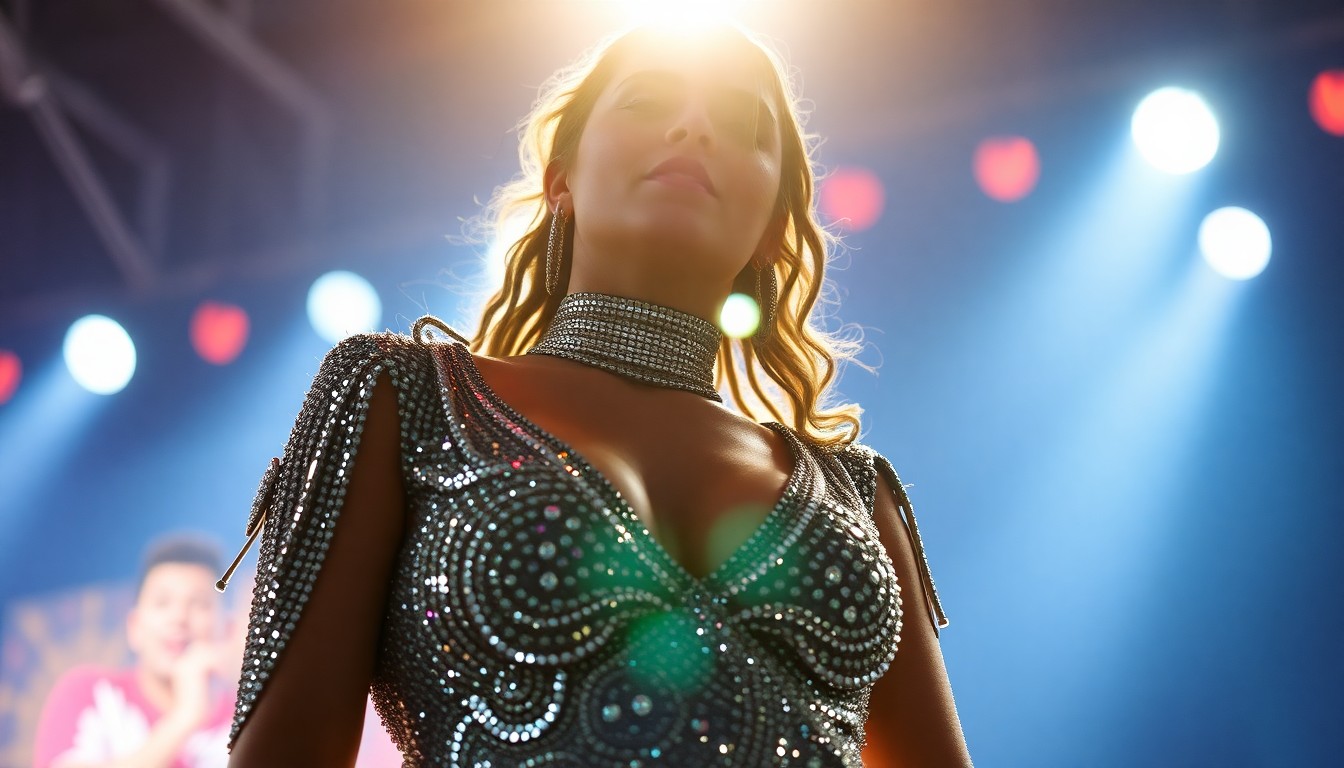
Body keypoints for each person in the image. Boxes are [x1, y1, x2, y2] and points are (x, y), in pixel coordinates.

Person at [222, 21, 971, 767]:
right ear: (561, 181)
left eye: (743, 124)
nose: (693, 127)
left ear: (776, 227)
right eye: (647, 101)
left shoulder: (856, 496)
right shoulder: (402, 396)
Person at [33, 535, 237, 768]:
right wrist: (185, 717)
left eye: (199, 604)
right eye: (162, 602)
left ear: (228, 630)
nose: (179, 617)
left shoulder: (250, 721)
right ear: (134, 627)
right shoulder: (90, 693)